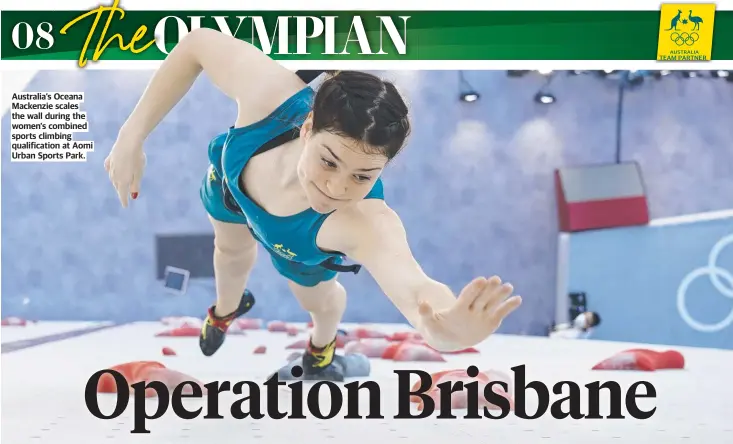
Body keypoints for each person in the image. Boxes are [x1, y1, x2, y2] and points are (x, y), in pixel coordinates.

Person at [104, 28, 523, 381]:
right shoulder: (272, 96)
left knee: (317, 301)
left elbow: (418, 292)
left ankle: (322, 346)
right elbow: (195, 43)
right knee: (229, 253)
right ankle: (225, 310)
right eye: (329, 161)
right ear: (307, 127)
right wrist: (131, 136)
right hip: (233, 187)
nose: (336, 187)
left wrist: (450, 330)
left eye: (363, 176)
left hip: (301, 242)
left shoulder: (363, 221)